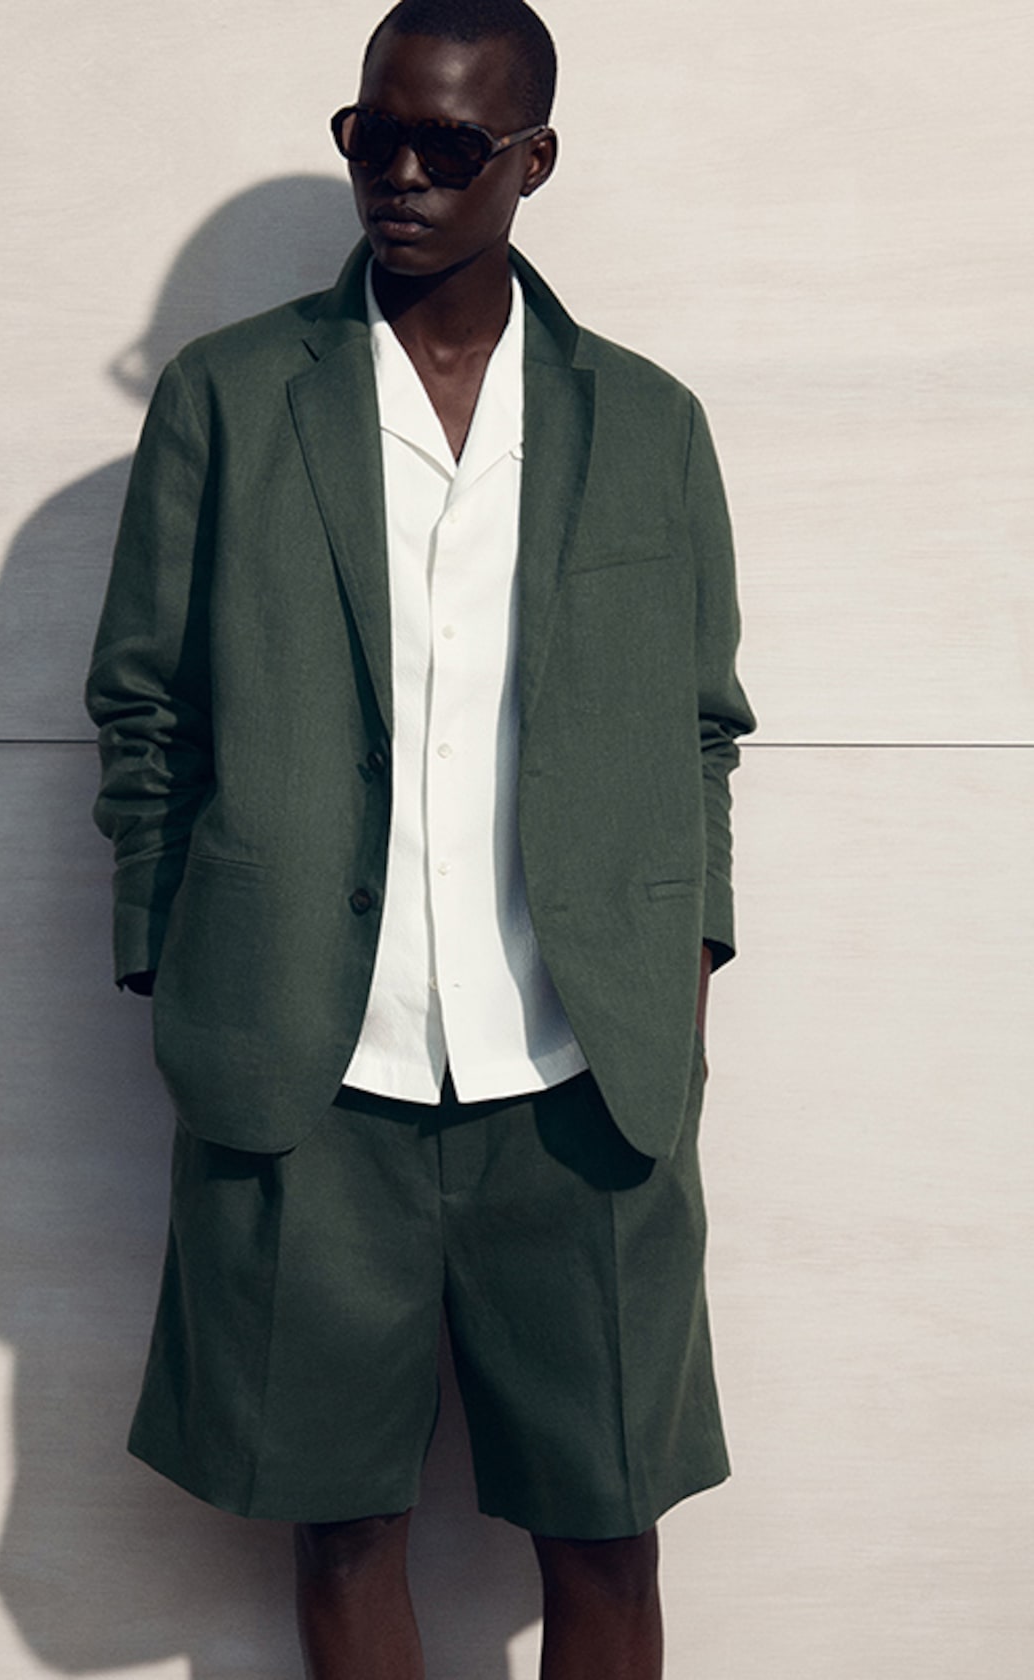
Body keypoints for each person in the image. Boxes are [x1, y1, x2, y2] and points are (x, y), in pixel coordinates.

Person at [85, 1, 755, 1674]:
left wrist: (676, 984)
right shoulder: (230, 399)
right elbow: (144, 710)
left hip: (580, 1080)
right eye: (367, 133)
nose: (397, 174)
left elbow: (701, 728)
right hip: (313, 1075)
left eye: (447, 147)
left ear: (532, 161)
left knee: (609, 1532)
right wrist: (183, 974)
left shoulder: (647, 425)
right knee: (342, 1519)